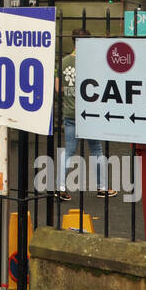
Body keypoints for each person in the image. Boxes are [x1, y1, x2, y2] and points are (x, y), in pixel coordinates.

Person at [56, 29, 111, 199]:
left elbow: (58, 89)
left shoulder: (64, 62)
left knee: (69, 150)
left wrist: (69, 92)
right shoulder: (92, 63)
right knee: (96, 149)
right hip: (90, 114)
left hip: (70, 112)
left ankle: (60, 186)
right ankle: (102, 187)